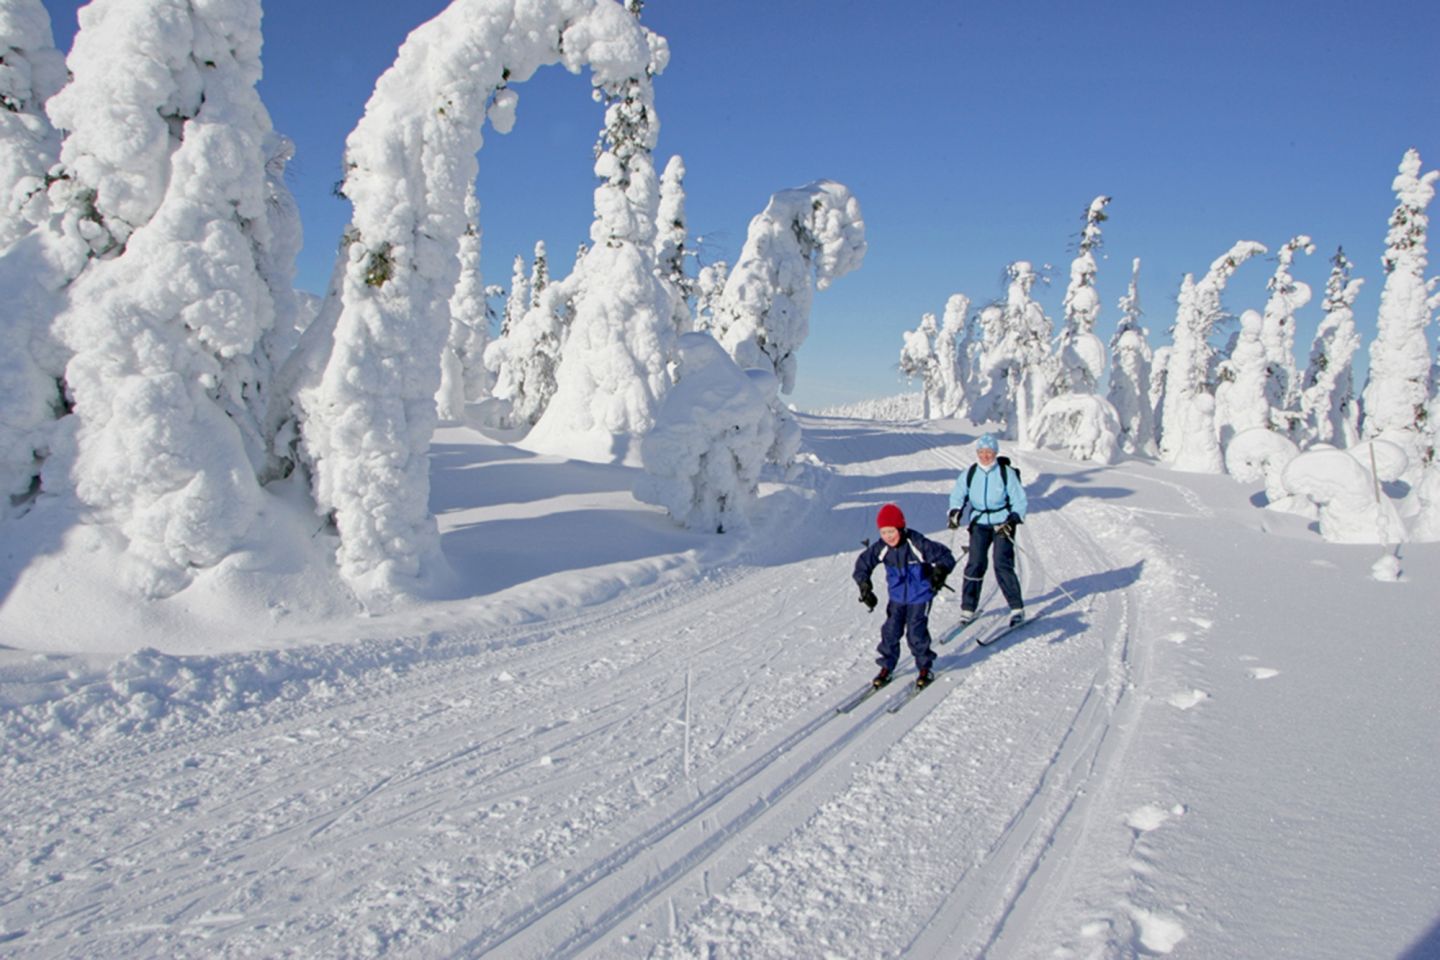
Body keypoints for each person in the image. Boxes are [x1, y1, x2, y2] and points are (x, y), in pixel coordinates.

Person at [853, 502, 956, 690]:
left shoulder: (917, 544)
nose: (888, 537)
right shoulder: (882, 547)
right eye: (884, 532)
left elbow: (946, 556)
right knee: (890, 631)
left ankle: (925, 667)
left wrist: (940, 572)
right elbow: (863, 564)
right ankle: (887, 666)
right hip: (897, 597)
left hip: (921, 595)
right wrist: (864, 586)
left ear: (901, 527)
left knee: (916, 633)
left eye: (891, 531)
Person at [947, 433, 1028, 627]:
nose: (985, 456)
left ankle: (1017, 608)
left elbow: (1019, 499)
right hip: (980, 522)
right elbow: (958, 495)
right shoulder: (970, 473)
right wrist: (955, 511)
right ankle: (968, 608)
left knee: (1002, 563)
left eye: (989, 452)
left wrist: (1014, 519)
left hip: (1002, 522)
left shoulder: (1005, 472)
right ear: (977, 453)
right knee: (975, 563)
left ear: (995, 452)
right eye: (982, 452)